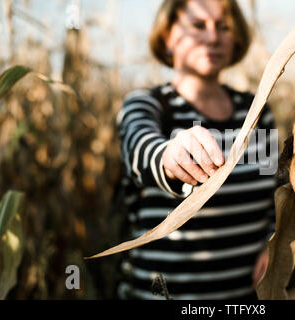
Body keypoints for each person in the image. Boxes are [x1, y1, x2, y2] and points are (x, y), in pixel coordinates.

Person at [115, 0, 279, 300]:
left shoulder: (256, 111)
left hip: (242, 297)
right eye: (198, 25)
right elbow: (139, 150)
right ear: (167, 36)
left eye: (224, 27)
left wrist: (275, 243)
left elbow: (274, 195)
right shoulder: (147, 104)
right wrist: (169, 156)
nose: (213, 37)